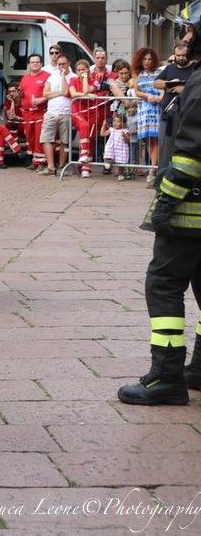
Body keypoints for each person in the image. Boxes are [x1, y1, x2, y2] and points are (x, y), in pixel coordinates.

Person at [117, 64, 201, 405]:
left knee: (163, 282)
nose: (184, 40)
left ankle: (166, 376)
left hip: (191, 209)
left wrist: (165, 201)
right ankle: (198, 370)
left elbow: (193, 152)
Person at [155, 43, 198, 170]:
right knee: (164, 148)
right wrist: (168, 83)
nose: (180, 58)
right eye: (178, 55)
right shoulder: (170, 68)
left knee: (184, 149)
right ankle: (163, 174)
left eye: (183, 55)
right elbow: (156, 83)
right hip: (168, 115)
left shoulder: (196, 68)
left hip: (187, 117)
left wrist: (184, 89)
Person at [69, 58, 109, 178]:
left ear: (88, 69)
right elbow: (73, 94)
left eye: (84, 69)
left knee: (90, 138)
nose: (81, 72)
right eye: (79, 70)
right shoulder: (72, 80)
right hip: (78, 112)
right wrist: (85, 95)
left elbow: (87, 89)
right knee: (84, 127)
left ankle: (86, 167)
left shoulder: (94, 80)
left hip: (91, 113)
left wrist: (86, 79)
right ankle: (83, 156)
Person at [128, 46, 163, 186]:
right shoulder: (137, 73)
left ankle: (153, 170)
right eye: (144, 59)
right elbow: (137, 91)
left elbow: (162, 89)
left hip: (156, 108)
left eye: (149, 59)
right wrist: (147, 95)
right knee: (148, 141)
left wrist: (158, 97)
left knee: (156, 140)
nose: (147, 62)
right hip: (144, 108)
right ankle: (153, 169)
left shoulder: (159, 72)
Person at [38, 54, 73, 176]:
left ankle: (62, 166)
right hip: (51, 112)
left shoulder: (73, 77)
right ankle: (51, 167)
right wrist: (60, 93)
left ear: (69, 63)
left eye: (63, 64)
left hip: (66, 112)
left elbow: (68, 92)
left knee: (65, 141)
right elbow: (45, 93)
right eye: (59, 64)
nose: (61, 66)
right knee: (46, 139)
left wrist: (63, 78)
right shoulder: (52, 77)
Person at [18, 53, 51, 171]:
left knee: (39, 137)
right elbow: (20, 95)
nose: (35, 64)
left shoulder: (47, 76)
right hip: (27, 113)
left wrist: (40, 100)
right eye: (33, 62)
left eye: (37, 62)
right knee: (30, 137)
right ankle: (34, 161)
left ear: (41, 63)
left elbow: (50, 94)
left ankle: (42, 162)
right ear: (29, 64)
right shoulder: (25, 78)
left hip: (40, 112)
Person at [101, 114, 130, 180]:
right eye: (114, 121)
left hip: (121, 148)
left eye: (118, 122)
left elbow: (128, 140)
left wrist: (125, 136)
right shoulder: (111, 129)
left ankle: (121, 174)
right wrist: (103, 125)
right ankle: (108, 163)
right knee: (108, 153)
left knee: (120, 162)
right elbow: (102, 134)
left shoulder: (125, 130)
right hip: (112, 147)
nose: (115, 123)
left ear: (123, 123)